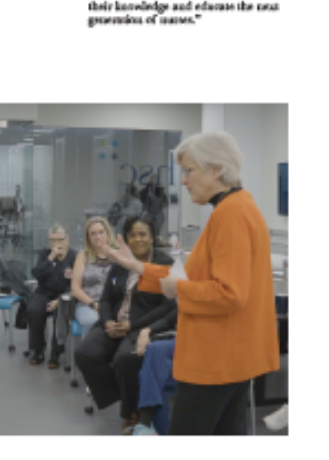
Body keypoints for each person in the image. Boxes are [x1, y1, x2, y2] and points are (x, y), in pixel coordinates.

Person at [104, 132, 279, 435]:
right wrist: (139, 266)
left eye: (189, 171)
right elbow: (193, 279)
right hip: (231, 357)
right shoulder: (237, 207)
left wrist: (178, 290)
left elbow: (229, 293)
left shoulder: (231, 214)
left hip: (216, 359)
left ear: (217, 170)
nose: (183, 181)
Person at [75, 216, 176, 433]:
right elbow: (106, 299)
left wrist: (132, 325)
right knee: (85, 353)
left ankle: (130, 413)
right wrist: (107, 321)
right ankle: (126, 397)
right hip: (113, 322)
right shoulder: (120, 262)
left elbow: (166, 308)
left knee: (125, 359)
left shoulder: (164, 263)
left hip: (140, 325)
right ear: (126, 239)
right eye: (132, 235)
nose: (138, 239)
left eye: (143, 234)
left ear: (152, 237)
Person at [26, 224, 76, 367]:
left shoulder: (75, 256)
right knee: (33, 309)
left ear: (67, 240)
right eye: (52, 240)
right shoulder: (45, 254)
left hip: (65, 295)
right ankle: (37, 350)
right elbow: (36, 274)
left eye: (59, 240)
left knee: (62, 310)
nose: (56, 244)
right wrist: (50, 258)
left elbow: (76, 283)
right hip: (44, 292)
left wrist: (59, 300)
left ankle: (56, 353)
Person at [70, 216, 117, 340]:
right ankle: (90, 357)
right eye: (93, 234)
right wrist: (94, 304)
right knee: (93, 321)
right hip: (88, 304)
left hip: (114, 303)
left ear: (107, 233)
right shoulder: (82, 256)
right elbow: (75, 289)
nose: (98, 237)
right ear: (88, 238)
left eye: (101, 232)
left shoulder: (117, 254)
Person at [139, 174, 168, 241]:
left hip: (158, 212)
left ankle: (156, 240)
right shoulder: (145, 190)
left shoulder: (160, 191)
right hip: (148, 212)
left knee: (157, 229)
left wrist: (160, 203)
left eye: (155, 180)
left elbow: (165, 202)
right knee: (147, 228)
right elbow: (141, 199)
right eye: (153, 179)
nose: (154, 181)